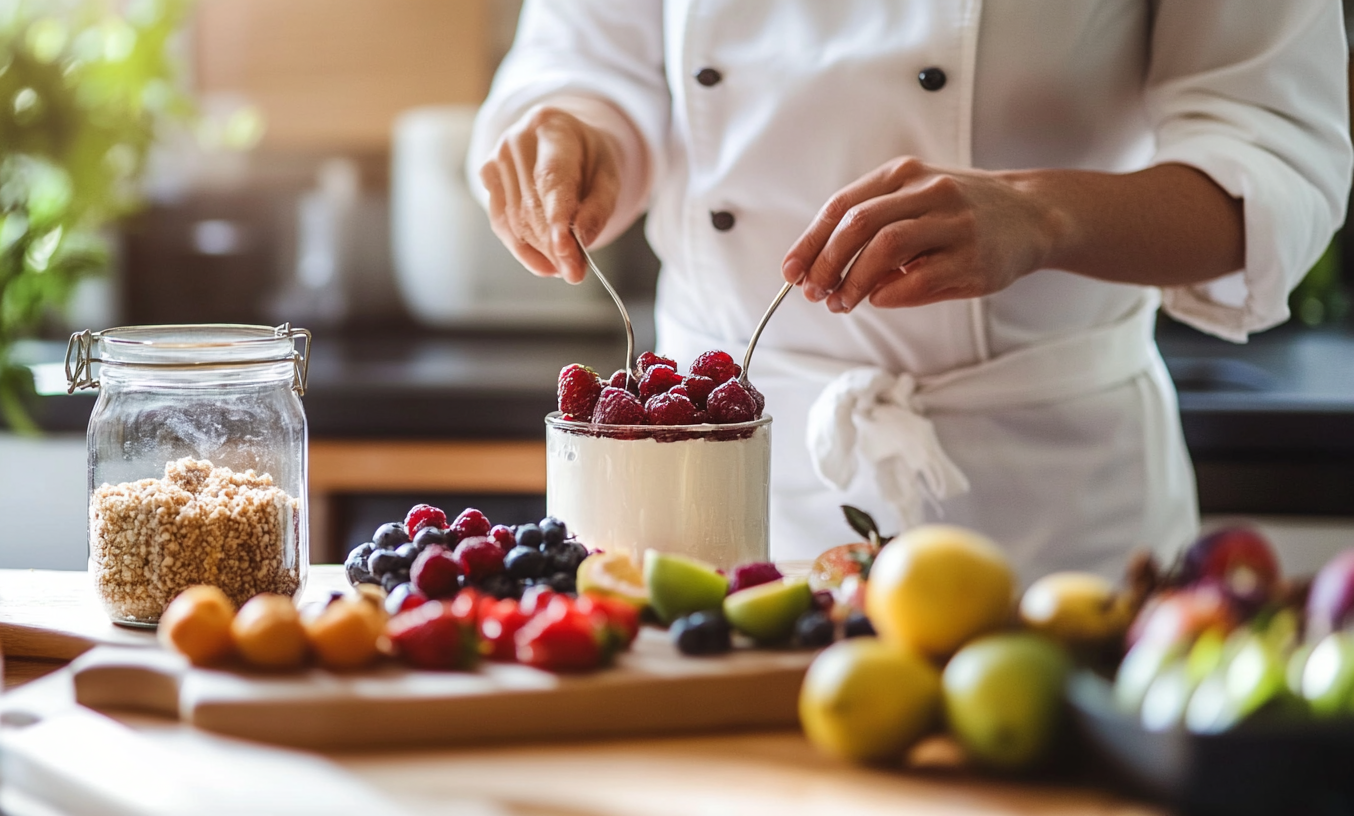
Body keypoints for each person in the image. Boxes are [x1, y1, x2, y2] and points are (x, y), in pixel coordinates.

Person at [468, 1, 1353, 579]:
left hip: (1044, 505)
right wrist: (577, 137)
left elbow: (1274, 163)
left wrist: (1043, 214)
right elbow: (590, 60)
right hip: (711, 491)